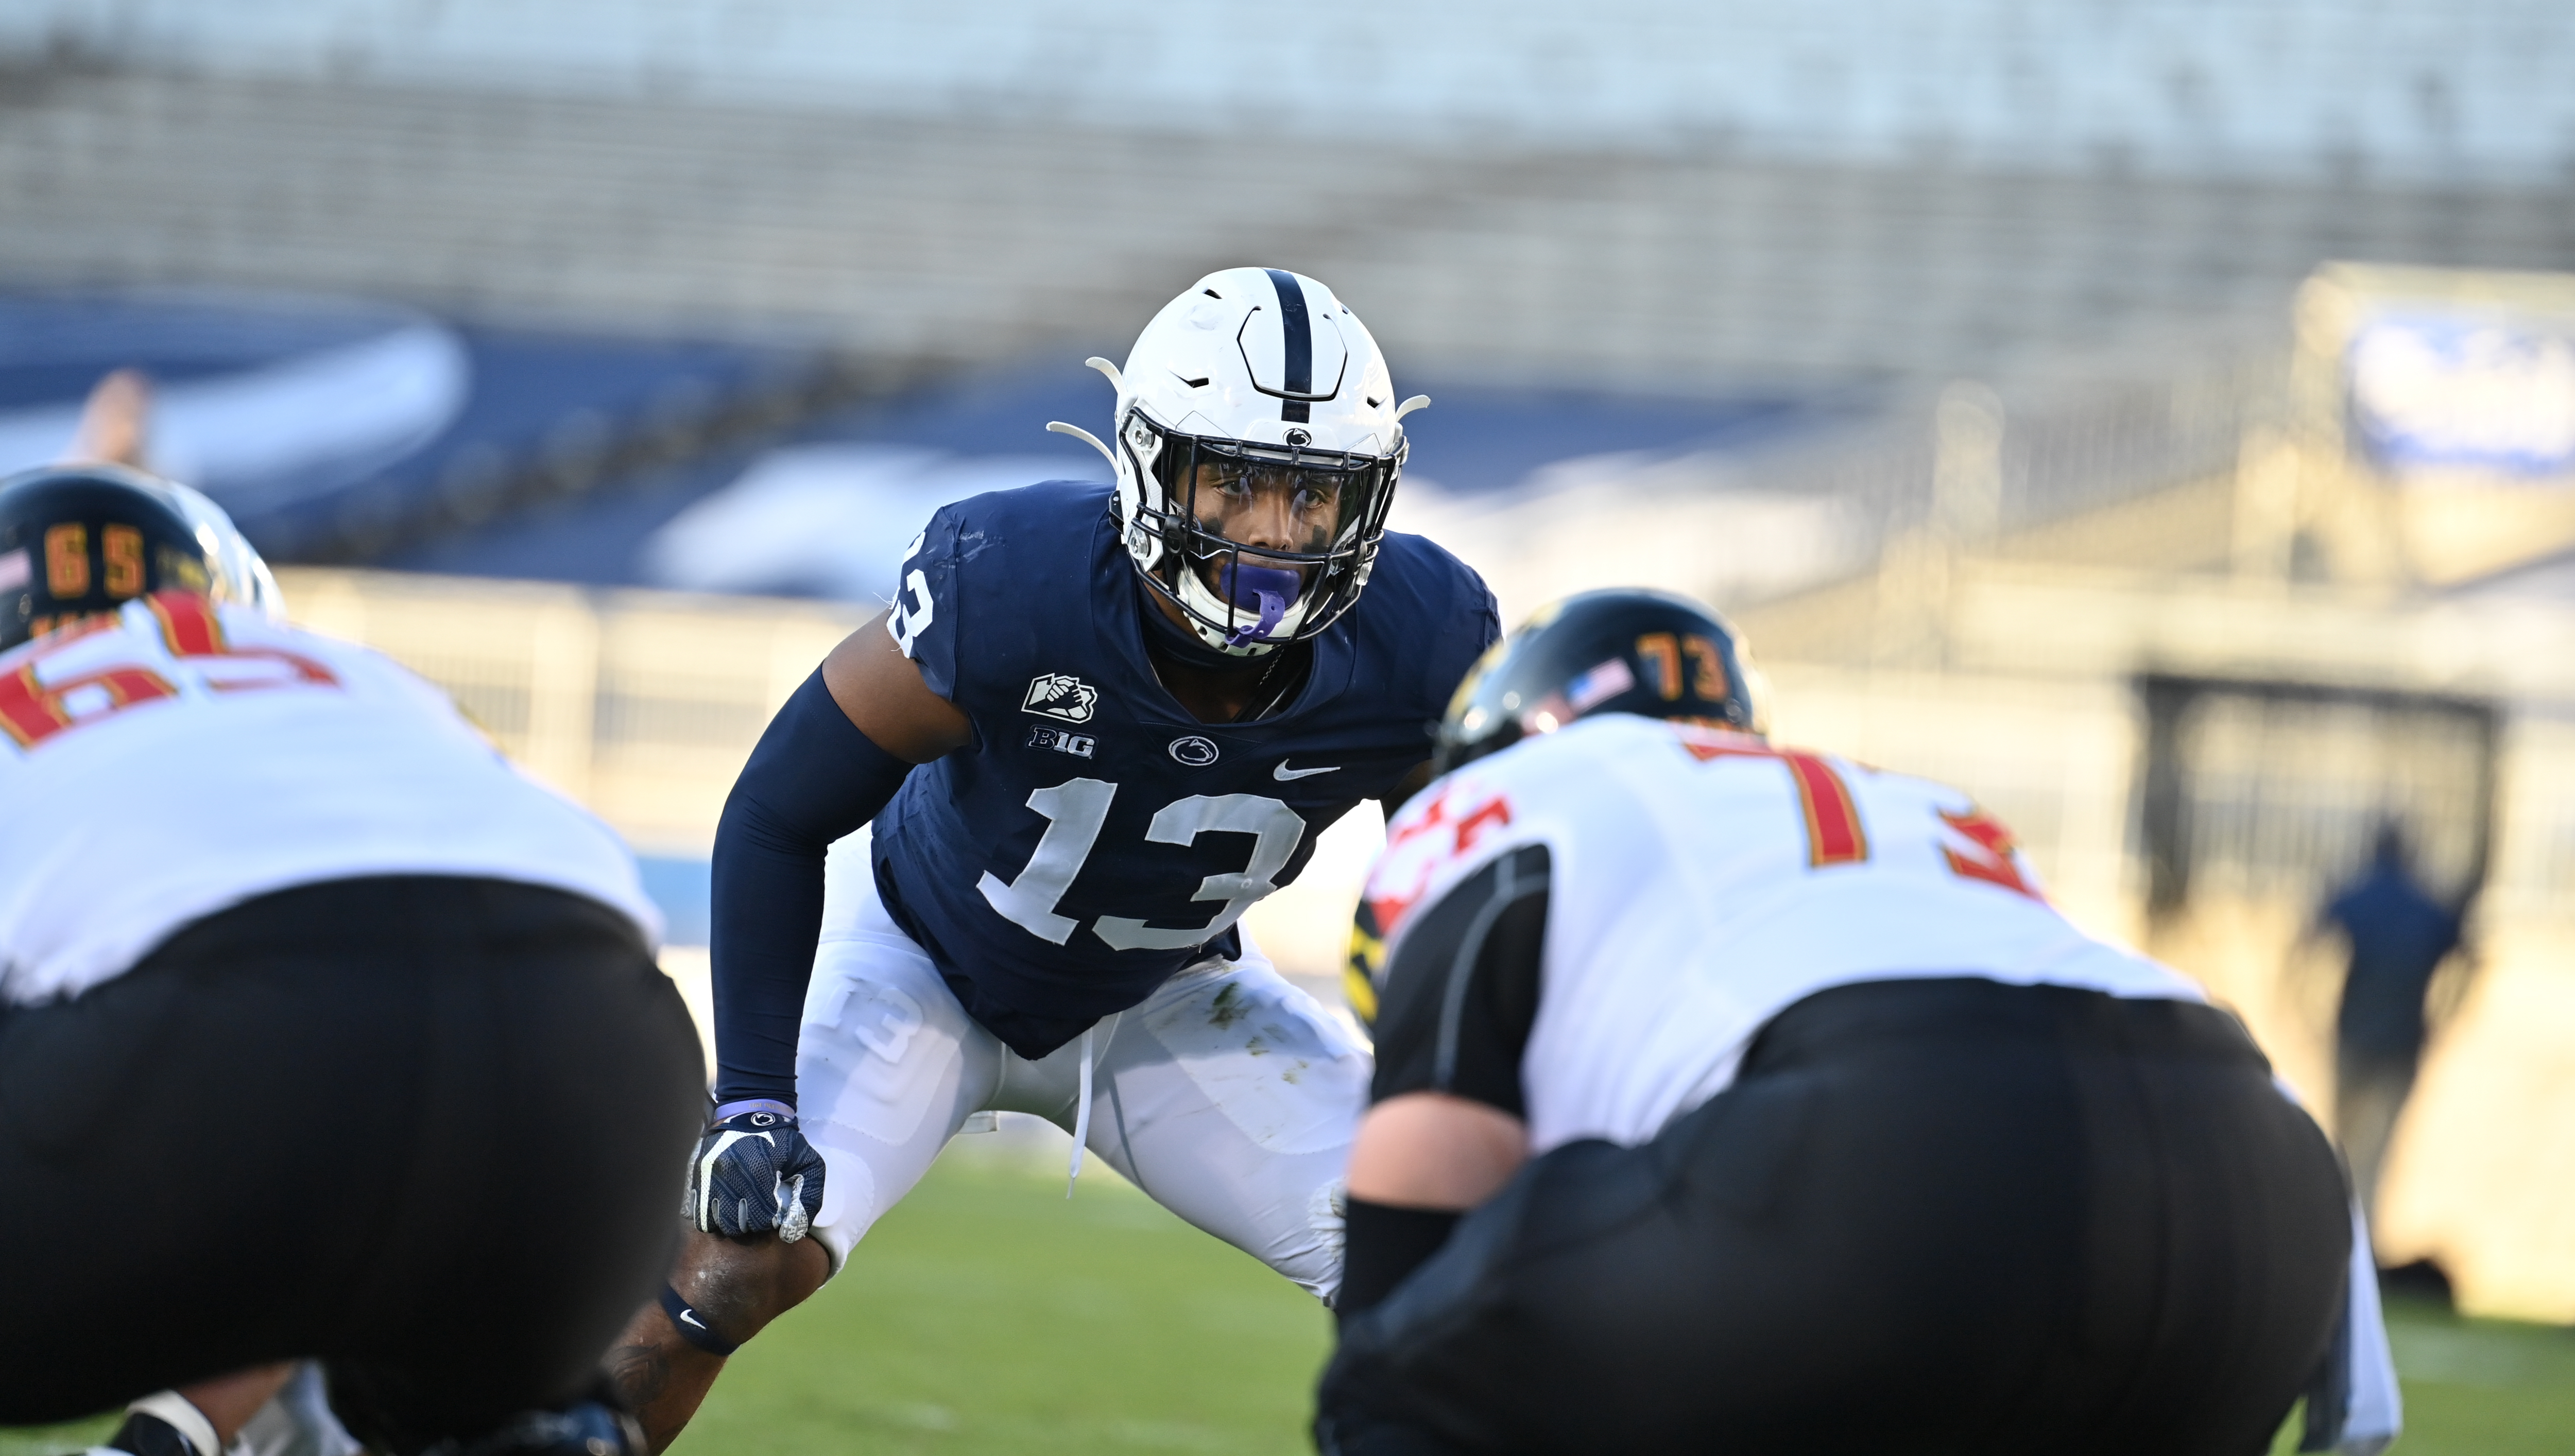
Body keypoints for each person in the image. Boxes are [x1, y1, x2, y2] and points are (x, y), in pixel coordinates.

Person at [604, 268, 1500, 1447]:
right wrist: (756, 1098)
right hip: (920, 959)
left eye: (1310, 496)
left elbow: (1468, 899)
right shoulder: (1011, 586)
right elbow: (777, 812)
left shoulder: (1423, 640)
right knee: (727, 1262)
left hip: (1168, 993)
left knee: (1454, 1266)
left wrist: (1467, 1096)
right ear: (1150, 465)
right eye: (1235, 484)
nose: (1277, 535)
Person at [1319, 590, 2401, 1456]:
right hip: (2264, 1189)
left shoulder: (1530, 792)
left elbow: (1432, 1161)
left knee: (1404, 1371)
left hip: (1891, 1162)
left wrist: (1390, 1352)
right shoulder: (1915, 807)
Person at [0, 465, 705, 1456]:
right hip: (609, 1064)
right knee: (448, 1397)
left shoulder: (31, 709)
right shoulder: (357, 679)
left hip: (236, 1061)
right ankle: (533, 1422)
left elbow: (291, 1083)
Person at [2321, 820, 2467, 1245]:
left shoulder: (2363, 896)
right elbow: (2466, 958)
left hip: (2356, 1038)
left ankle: (2345, 1240)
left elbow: (2309, 946)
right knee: (2377, 1153)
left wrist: (2307, 1009)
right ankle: (2357, 1242)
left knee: (2345, 1146)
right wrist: (2446, 1015)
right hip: (2401, 1042)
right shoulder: (2424, 904)